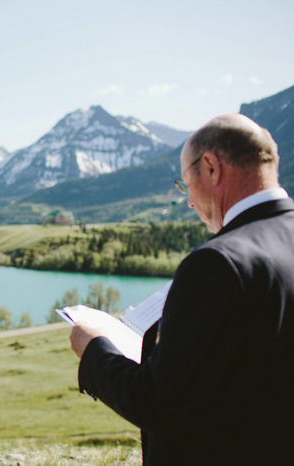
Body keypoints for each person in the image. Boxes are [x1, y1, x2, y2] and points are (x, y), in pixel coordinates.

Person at [69, 114, 294, 465]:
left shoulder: (218, 263)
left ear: (210, 168)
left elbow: (160, 403)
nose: (189, 201)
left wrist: (94, 349)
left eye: (185, 184)